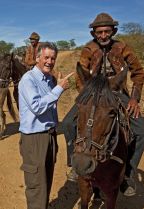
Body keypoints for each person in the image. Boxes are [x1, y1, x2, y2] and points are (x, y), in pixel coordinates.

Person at [63, 12, 144, 197]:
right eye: (99, 32)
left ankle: (128, 172)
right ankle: (74, 165)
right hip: (93, 93)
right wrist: (87, 94)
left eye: (107, 31)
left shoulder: (123, 47)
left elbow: (138, 72)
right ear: (93, 33)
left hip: (117, 93)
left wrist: (135, 98)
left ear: (113, 31)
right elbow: (81, 75)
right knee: (67, 124)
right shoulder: (88, 49)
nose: (103, 35)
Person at [18, 42, 74, 209]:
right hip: (34, 139)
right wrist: (58, 90)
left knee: (46, 180)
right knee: (36, 186)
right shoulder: (28, 80)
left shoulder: (49, 79)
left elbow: (50, 106)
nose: (50, 61)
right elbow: (37, 107)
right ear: (37, 58)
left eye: (53, 58)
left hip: (50, 136)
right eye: (46, 57)